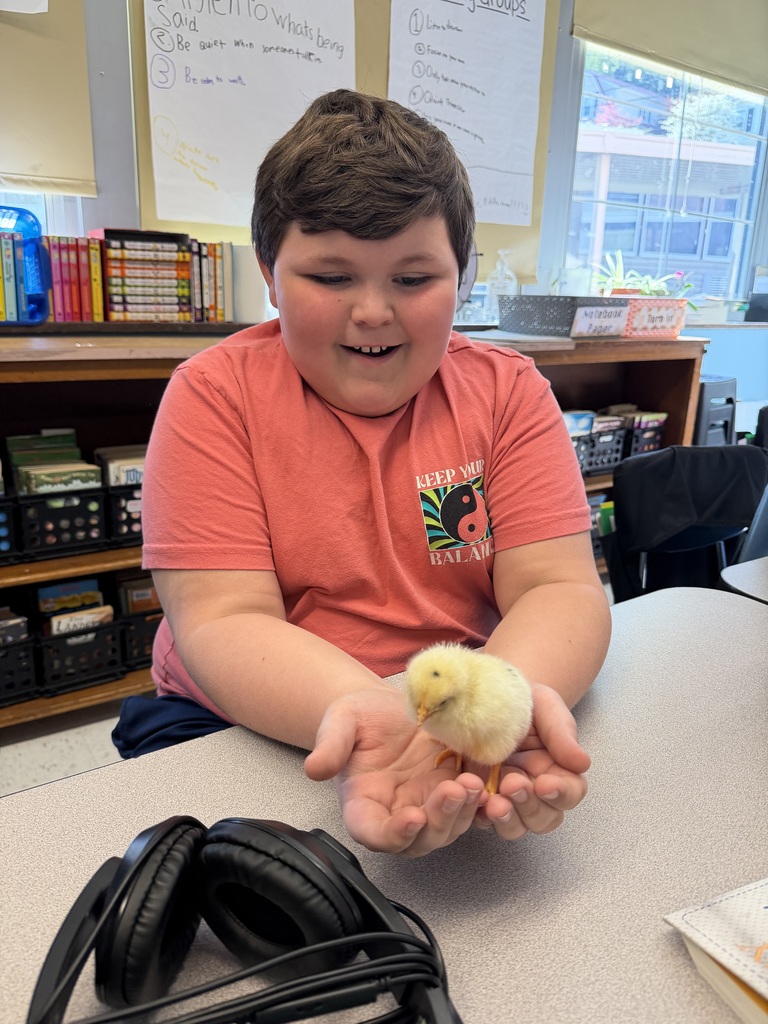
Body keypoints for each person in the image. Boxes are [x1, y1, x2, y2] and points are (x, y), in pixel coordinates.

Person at [117, 89, 611, 857]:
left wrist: (493, 711)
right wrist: (366, 711)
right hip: (245, 712)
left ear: (465, 275)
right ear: (270, 273)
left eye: (414, 280)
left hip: (456, 696)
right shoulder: (214, 396)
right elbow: (223, 619)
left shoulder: (509, 393)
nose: (374, 311)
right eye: (332, 278)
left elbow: (560, 587)